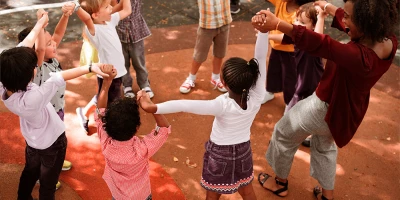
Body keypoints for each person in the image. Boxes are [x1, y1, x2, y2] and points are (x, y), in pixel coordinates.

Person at [252, 0, 398, 199]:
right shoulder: (387, 39)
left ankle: (280, 183)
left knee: (282, 133)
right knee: (324, 147)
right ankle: (327, 195)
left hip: (322, 106)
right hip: (345, 112)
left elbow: (322, 44)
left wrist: (278, 24)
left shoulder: (357, 56)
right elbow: (348, 21)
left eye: (348, 17)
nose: (343, 19)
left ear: (365, 22)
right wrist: (328, 7)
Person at [139, 32, 269, 200]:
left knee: (213, 193)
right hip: (244, 151)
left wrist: (153, 107)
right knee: (247, 190)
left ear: (224, 83)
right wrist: (263, 33)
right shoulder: (257, 96)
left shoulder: (221, 105)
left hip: (220, 155)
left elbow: (184, 104)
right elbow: (260, 58)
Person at [0, 12, 109, 199]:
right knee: (48, 184)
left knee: (30, 170)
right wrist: (90, 67)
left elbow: (23, 46)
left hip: (32, 140)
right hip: (52, 142)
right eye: (34, 67)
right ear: (29, 76)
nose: (36, 67)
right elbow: (58, 78)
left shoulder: (5, 81)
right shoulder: (34, 97)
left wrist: (40, 24)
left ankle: (23, 197)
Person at [17, 7, 76, 190]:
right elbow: (41, 47)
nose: (54, 44)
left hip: (57, 109)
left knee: (56, 141)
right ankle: (43, 176)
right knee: (42, 148)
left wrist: (65, 15)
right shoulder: (39, 65)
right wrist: (40, 23)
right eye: (49, 42)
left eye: (52, 42)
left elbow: (58, 33)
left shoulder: (52, 57)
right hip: (43, 117)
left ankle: (55, 160)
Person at [95, 65, 171, 199]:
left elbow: (100, 110)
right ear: (136, 128)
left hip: (118, 196)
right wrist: (149, 106)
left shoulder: (106, 143)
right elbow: (164, 129)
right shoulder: (141, 150)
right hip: (141, 195)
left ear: (107, 125)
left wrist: (106, 83)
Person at [65, 0, 132, 133]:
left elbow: (127, 10)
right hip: (108, 74)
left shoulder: (109, 20)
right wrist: (76, 7)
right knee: (112, 102)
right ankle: (111, 129)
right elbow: (86, 18)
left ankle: (83, 113)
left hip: (116, 73)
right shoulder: (94, 29)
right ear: (95, 15)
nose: (111, 8)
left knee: (105, 96)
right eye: (107, 7)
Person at [269, 3, 327, 147]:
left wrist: (321, 18)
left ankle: (291, 136)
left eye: (302, 22)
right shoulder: (299, 37)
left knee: (309, 114)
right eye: (296, 20)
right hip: (300, 84)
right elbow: (284, 38)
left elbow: (318, 38)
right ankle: (285, 135)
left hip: (312, 87)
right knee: (292, 111)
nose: (296, 24)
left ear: (313, 26)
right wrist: (267, 35)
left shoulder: (314, 42)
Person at [262, 0, 314, 105]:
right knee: (273, 71)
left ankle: (289, 102)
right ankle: (270, 90)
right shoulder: (281, 2)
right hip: (276, 48)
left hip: (291, 52)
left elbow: (289, 37)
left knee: (290, 79)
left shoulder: (301, 13)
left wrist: (268, 36)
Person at [179, 0, 232, 94]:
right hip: (207, 25)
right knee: (199, 55)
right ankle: (191, 78)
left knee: (220, 53)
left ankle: (215, 77)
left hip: (224, 21)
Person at [111, 0, 154, 99]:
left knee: (139, 61)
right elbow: (114, 9)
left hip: (136, 31)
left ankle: (144, 85)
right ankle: (127, 85)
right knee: (123, 62)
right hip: (119, 32)